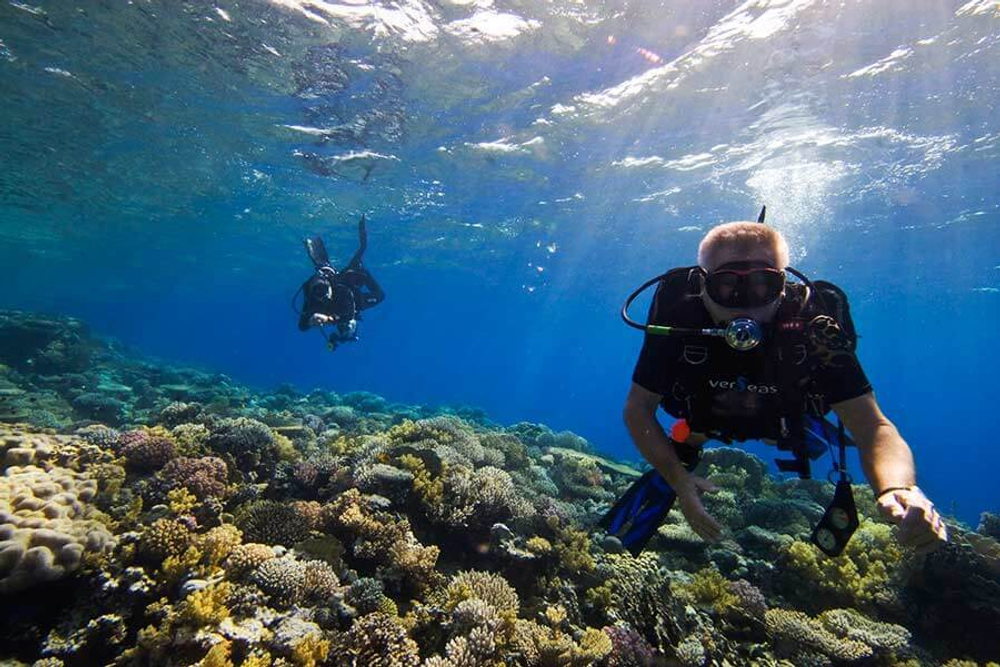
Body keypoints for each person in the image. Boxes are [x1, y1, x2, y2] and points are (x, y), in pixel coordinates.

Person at [603, 216, 948, 557]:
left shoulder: (814, 326)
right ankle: (686, 450)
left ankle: (723, 441)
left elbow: (872, 426)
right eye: (726, 286)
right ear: (701, 285)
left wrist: (900, 487)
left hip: (787, 413)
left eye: (760, 285)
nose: (745, 304)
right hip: (704, 412)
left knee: (797, 424)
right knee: (693, 430)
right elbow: (638, 409)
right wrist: (678, 481)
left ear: (783, 286)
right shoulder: (679, 313)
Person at [297, 215, 384, 350]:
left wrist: (311, 320)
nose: (322, 295)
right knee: (378, 294)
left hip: (344, 287)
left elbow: (302, 326)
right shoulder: (321, 296)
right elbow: (348, 314)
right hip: (350, 294)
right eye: (318, 292)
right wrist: (328, 319)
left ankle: (326, 261)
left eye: (323, 291)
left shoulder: (324, 295)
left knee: (337, 266)